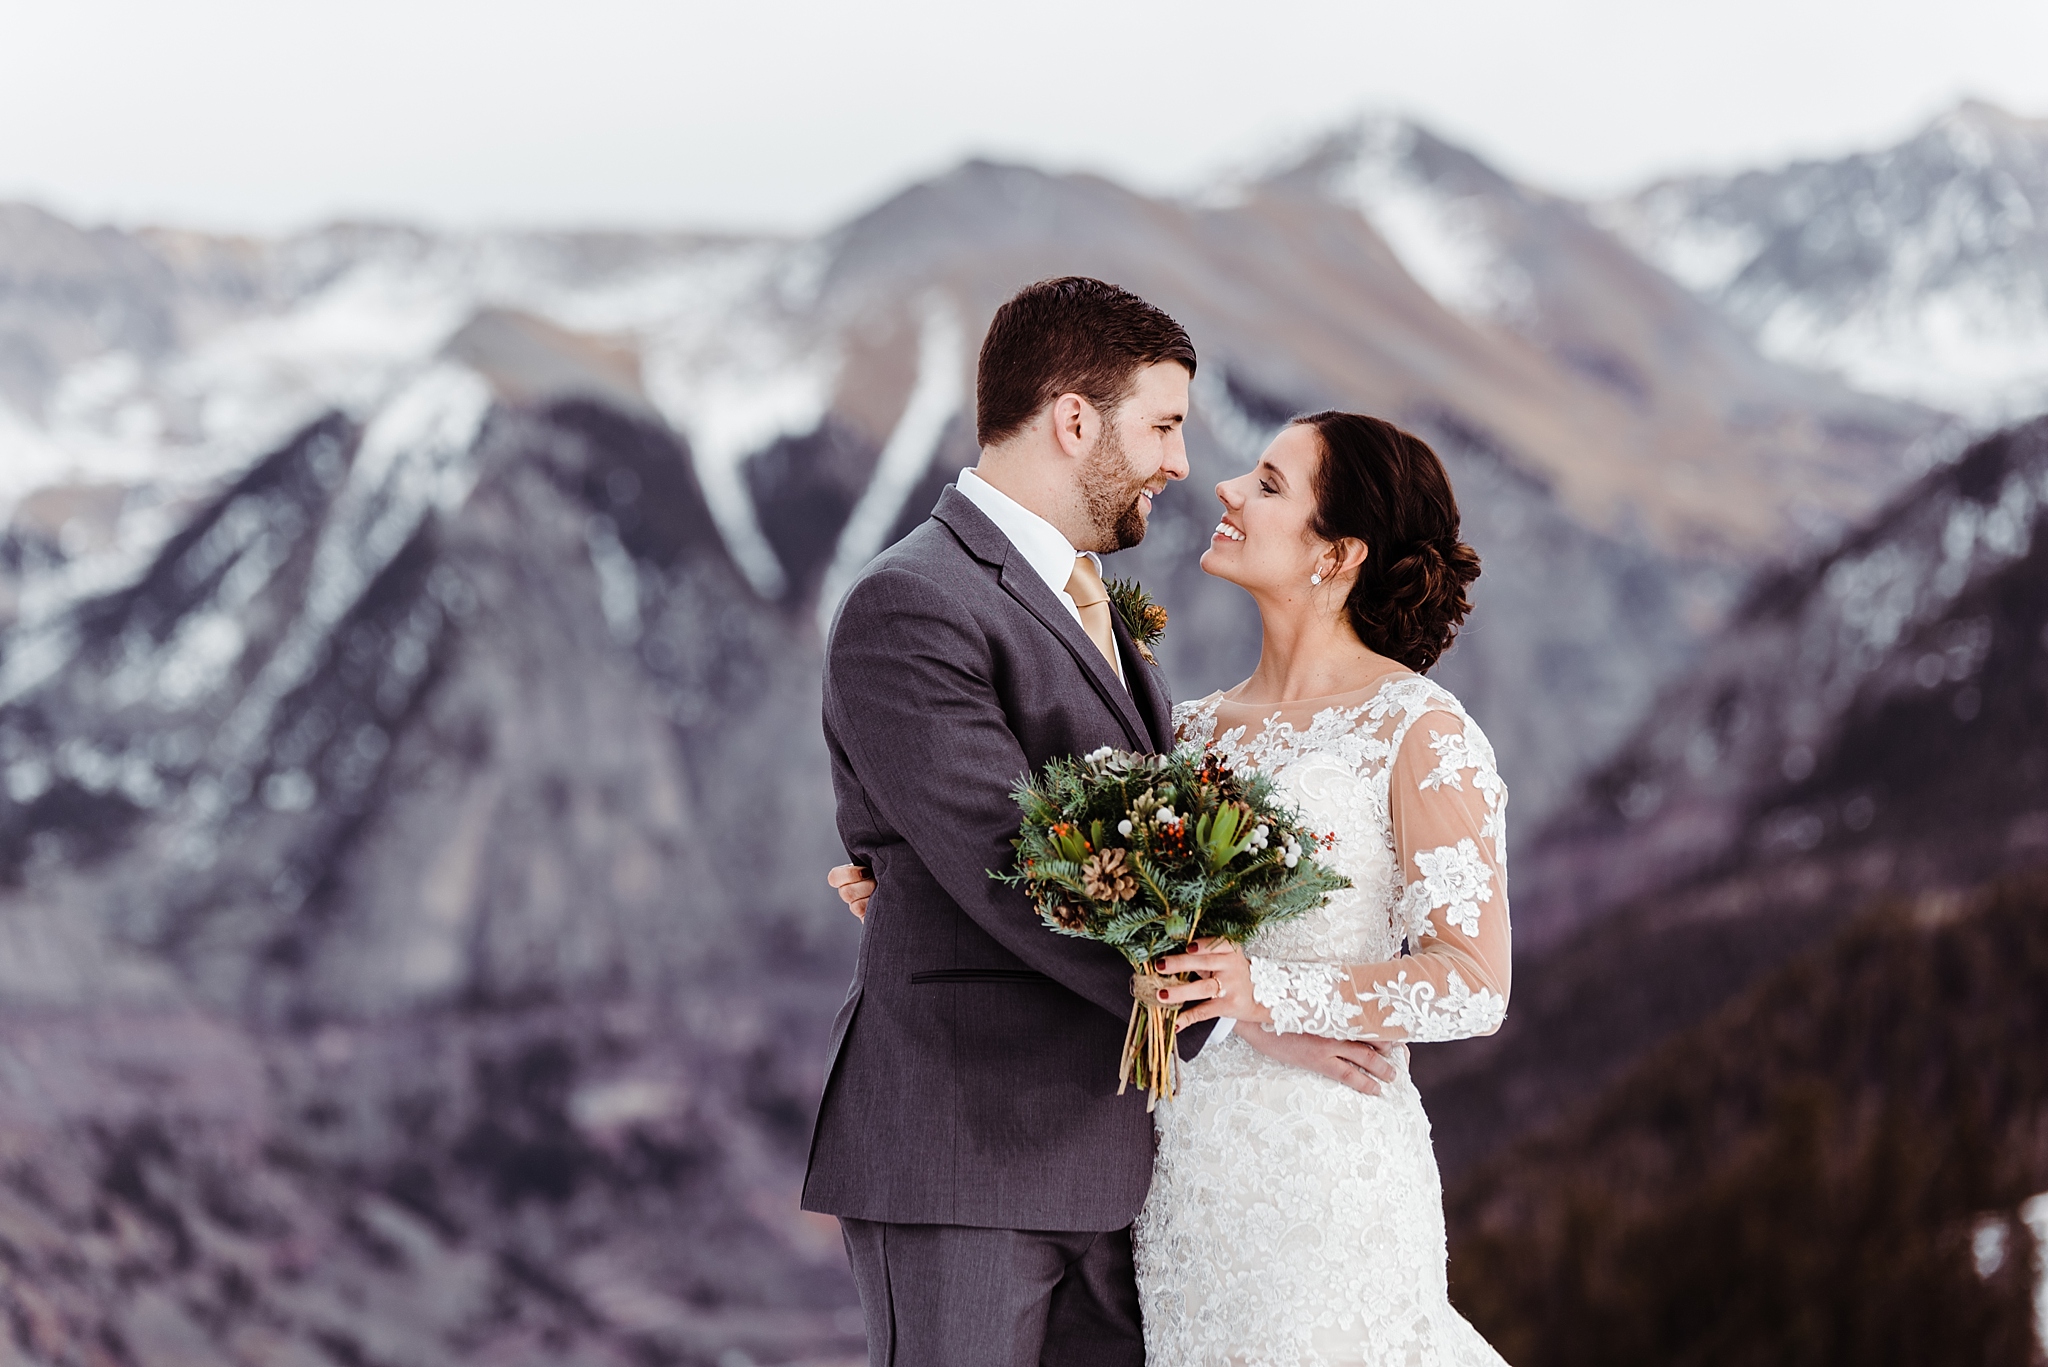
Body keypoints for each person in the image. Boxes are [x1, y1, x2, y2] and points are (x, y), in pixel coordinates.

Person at [804, 278, 1394, 1367]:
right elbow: (1012, 866)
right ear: (1074, 420)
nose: (1180, 461)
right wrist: (1236, 1015)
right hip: (962, 1153)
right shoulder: (911, 601)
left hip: (1114, 1158)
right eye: (1162, 425)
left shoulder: (1086, 602)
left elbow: (1125, 852)